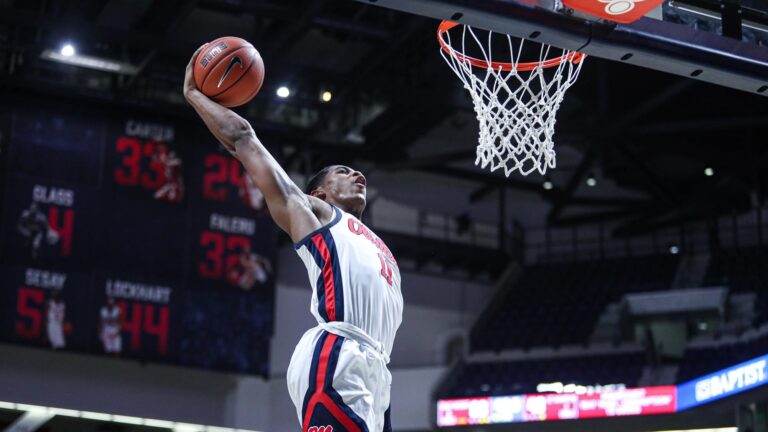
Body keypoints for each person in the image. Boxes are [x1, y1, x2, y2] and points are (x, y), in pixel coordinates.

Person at [184, 45, 402, 432]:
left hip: (378, 374)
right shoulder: (316, 215)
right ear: (318, 193)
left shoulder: (380, 246)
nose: (357, 175)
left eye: (356, 170)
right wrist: (195, 94)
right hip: (338, 354)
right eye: (343, 170)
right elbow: (244, 142)